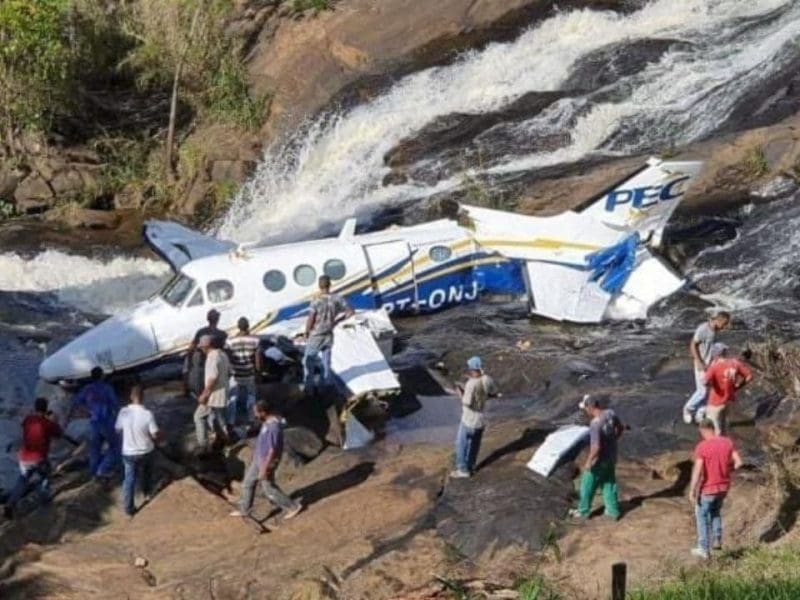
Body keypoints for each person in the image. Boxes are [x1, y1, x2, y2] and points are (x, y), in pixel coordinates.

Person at [229, 399, 302, 521]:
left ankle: (292, 506)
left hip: (266, 462)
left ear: (263, 412)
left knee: (269, 489)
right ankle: (245, 509)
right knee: (247, 483)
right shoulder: (267, 422)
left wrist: (264, 468)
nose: (255, 415)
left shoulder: (274, 427)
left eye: (256, 412)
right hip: (258, 459)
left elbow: (272, 450)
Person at [689, 419, 743, 559]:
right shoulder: (727, 442)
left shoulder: (702, 446)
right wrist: (728, 470)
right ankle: (717, 538)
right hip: (724, 486)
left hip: (709, 488)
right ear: (713, 428)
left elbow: (698, 469)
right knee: (715, 512)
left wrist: (692, 489)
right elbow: (739, 462)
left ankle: (703, 548)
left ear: (702, 430)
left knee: (701, 515)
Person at [4, 398, 63, 518]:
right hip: (39, 458)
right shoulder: (47, 423)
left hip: (24, 458)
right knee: (45, 477)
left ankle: (10, 503)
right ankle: (44, 501)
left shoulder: (28, 420)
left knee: (22, 481)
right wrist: (51, 420)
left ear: (35, 407)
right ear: (46, 409)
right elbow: (59, 433)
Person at [570, 395, 624, 520]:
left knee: (587, 484)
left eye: (585, 408)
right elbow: (620, 428)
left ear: (590, 407)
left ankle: (583, 511)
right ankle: (613, 511)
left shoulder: (595, 424)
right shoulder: (610, 413)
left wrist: (588, 462)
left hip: (600, 460)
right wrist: (613, 440)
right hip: (612, 456)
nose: (585, 411)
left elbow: (596, 447)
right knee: (609, 483)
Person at [303, 275, 353, 396]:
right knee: (326, 362)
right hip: (329, 333)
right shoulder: (337, 298)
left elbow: (311, 318)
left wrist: (306, 331)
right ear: (330, 284)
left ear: (319, 286)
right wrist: (337, 321)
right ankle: (324, 387)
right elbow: (350, 311)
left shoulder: (316, 300)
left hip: (316, 334)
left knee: (308, 361)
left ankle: (308, 390)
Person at [115, 385, 161, 516]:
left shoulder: (123, 412)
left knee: (129, 479)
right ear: (143, 398)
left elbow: (117, 430)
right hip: (146, 451)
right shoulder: (147, 414)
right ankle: (147, 493)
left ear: (131, 397)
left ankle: (128, 509)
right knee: (147, 472)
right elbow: (155, 434)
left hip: (129, 452)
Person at [450, 356, 499, 479]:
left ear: (472, 369)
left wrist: (460, 393)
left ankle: (462, 470)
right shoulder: (487, 379)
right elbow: (494, 393)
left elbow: (467, 403)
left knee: (461, 444)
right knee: (475, 444)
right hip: (481, 420)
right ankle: (471, 466)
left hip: (468, 420)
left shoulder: (471, 384)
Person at [71, 367, 120, 480]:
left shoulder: (87, 389)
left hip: (94, 422)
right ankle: (102, 469)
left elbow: (77, 401)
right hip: (107, 421)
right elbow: (115, 404)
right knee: (115, 447)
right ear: (102, 376)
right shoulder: (107, 388)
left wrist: (87, 411)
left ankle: (93, 473)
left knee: (95, 449)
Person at [683, 312, 731, 424]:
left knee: (708, 391)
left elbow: (709, 347)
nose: (724, 327)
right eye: (723, 324)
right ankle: (688, 409)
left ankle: (699, 415)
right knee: (702, 391)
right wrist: (699, 362)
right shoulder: (703, 329)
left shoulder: (714, 330)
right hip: (701, 364)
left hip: (709, 364)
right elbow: (692, 344)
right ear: (718, 320)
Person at [703, 344, 753, 435]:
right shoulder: (735, 363)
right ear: (724, 353)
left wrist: (713, 384)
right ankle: (724, 444)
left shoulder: (714, 367)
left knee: (713, 429)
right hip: (728, 400)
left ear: (715, 355)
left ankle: (717, 448)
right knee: (724, 427)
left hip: (715, 402)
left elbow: (705, 382)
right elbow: (749, 376)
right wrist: (738, 386)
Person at [194, 335, 231, 452]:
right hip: (223, 392)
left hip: (213, 396)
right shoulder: (223, 354)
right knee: (219, 419)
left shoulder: (212, 357)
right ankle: (223, 441)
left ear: (206, 346)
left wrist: (205, 394)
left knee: (198, 417)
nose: (201, 349)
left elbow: (212, 378)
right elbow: (229, 372)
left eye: (202, 347)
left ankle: (203, 445)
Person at [183, 309, 228, 398]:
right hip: (215, 362)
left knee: (202, 383)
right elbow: (224, 350)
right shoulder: (222, 334)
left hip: (202, 362)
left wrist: (189, 360)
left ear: (208, 319)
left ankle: (201, 396)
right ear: (218, 319)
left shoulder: (201, 332)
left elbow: (192, 347)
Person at [226, 317, 262, 425]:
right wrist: (259, 373)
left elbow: (229, 358)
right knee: (251, 396)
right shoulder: (255, 340)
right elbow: (258, 359)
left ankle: (230, 422)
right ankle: (251, 419)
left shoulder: (230, 341)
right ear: (248, 326)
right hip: (249, 373)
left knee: (232, 399)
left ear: (238, 327)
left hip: (236, 374)